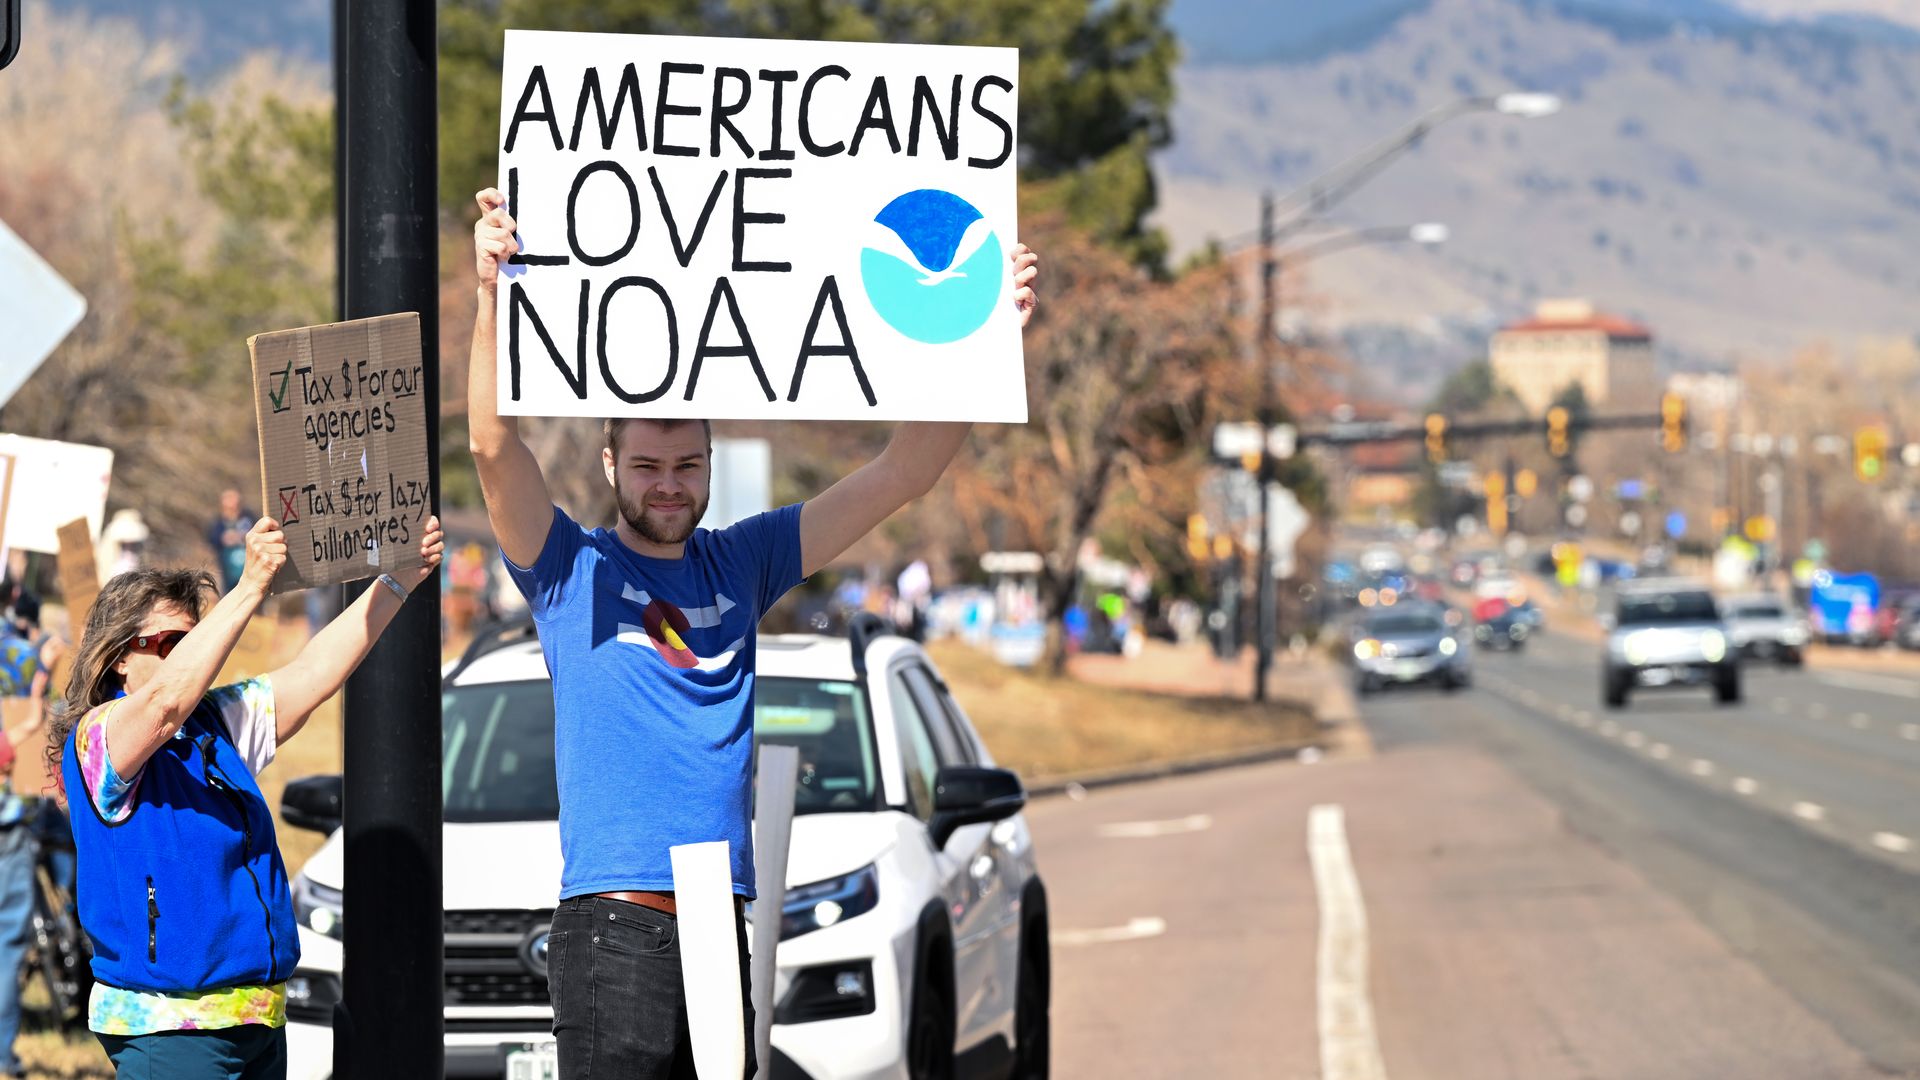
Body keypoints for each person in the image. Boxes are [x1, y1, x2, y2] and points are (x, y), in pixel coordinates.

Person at [467, 187, 1037, 1078]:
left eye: (687, 465)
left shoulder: (745, 560)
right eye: (648, 465)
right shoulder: (566, 566)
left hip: (718, 922)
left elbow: (905, 471)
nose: (668, 485)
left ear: (710, 464)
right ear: (611, 461)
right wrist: (493, 294)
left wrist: (983, 343)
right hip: (612, 927)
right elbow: (493, 446)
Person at [45, 513, 444, 1078]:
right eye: (170, 645)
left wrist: (396, 580)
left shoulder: (211, 724)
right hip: (172, 1031)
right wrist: (251, 585)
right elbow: (161, 707)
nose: (195, 658)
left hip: (255, 1021)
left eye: (197, 641)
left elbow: (312, 673)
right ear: (118, 660)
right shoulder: (101, 736)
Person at [206, 490, 256, 594]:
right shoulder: (218, 522)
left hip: (250, 567)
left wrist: (242, 537)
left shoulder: (249, 518)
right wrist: (224, 538)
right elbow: (212, 539)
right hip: (228, 570)